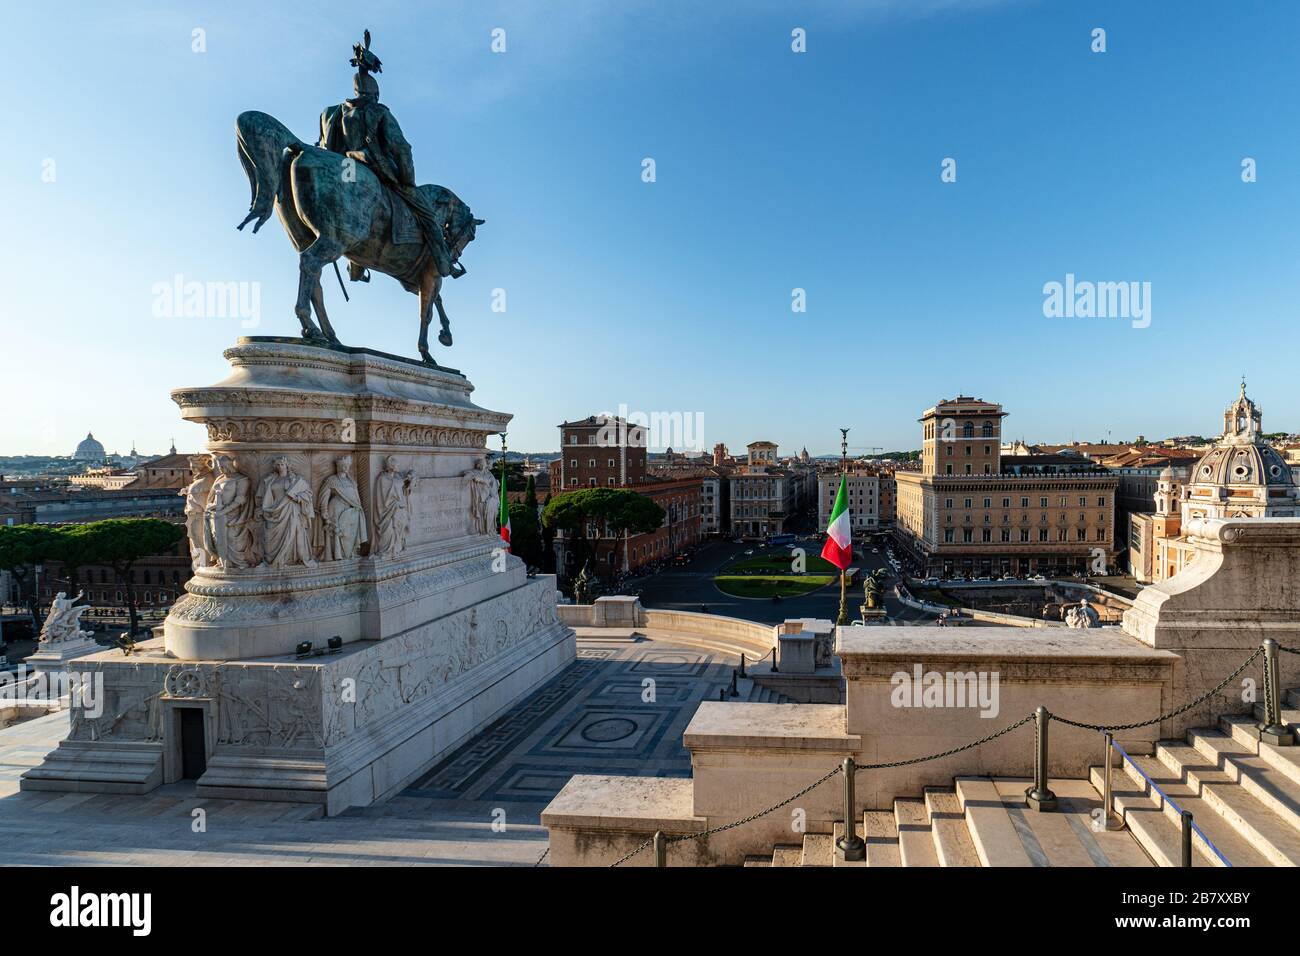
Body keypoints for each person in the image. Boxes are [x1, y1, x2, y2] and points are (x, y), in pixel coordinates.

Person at [318, 31, 454, 280]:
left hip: (344, 167)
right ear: (374, 92)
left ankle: (356, 265)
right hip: (374, 166)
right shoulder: (378, 112)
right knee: (428, 216)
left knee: (353, 203)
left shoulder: (331, 113)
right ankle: (445, 264)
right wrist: (407, 180)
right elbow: (401, 149)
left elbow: (324, 145)